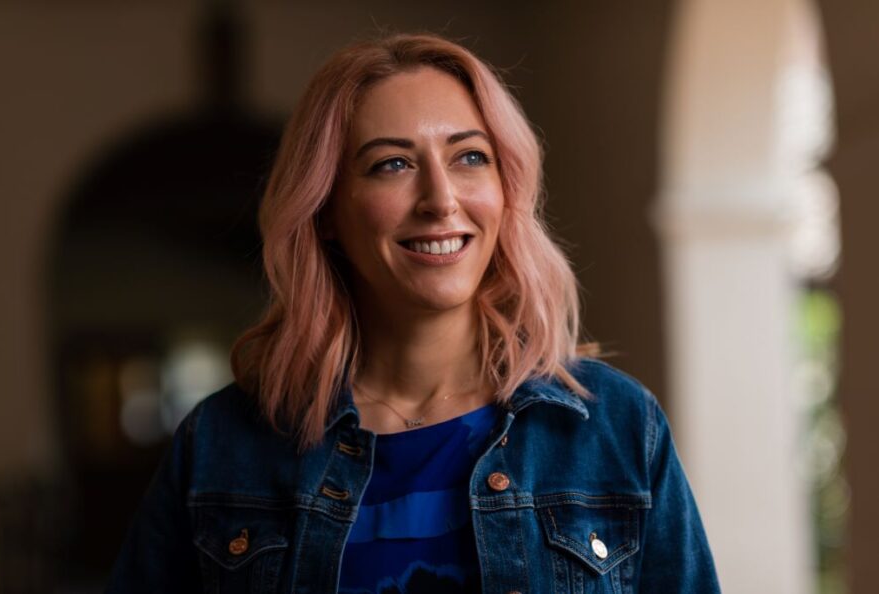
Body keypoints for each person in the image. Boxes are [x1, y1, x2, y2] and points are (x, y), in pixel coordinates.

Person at [106, 32, 720, 594]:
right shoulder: (223, 443)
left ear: (507, 187)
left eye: (470, 157)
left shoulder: (615, 429)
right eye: (392, 164)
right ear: (325, 213)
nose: (440, 199)